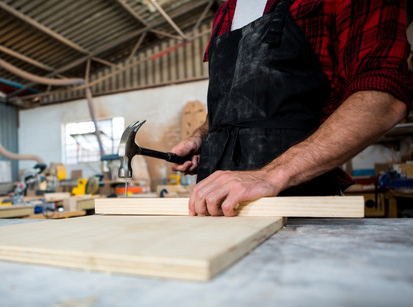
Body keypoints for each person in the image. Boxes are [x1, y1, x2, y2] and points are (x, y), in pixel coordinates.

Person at [171, 0, 412, 216]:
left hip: (299, 207)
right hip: (214, 207)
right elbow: (229, 102)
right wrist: (203, 137)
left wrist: (269, 175)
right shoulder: (225, 11)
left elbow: (383, 96)